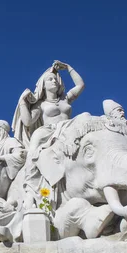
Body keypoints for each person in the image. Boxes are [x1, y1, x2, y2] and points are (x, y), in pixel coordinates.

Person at [11, 60, 85, 208]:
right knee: (33, 155)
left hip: (68, 128)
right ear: (43, 85)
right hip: (47, 132)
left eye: (55, 79)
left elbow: (81, 85)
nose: (53, 81)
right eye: (49, 79)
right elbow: (27, 121)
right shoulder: (40, 104)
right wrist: (23, 102)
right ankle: (30, 190)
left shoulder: (65, 98)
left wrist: (68, 68)